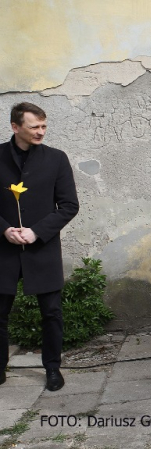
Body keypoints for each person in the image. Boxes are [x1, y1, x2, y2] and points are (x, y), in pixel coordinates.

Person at [0, 102, 79, 391]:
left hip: (41, 248)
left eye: (44, 126)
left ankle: (53, 368)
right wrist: (4, 229)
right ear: (15, 126)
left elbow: (69, 205)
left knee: (51, 313)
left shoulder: (56, 159)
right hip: (3, 251)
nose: (41, 132)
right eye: (34, 126)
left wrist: (36, 232)